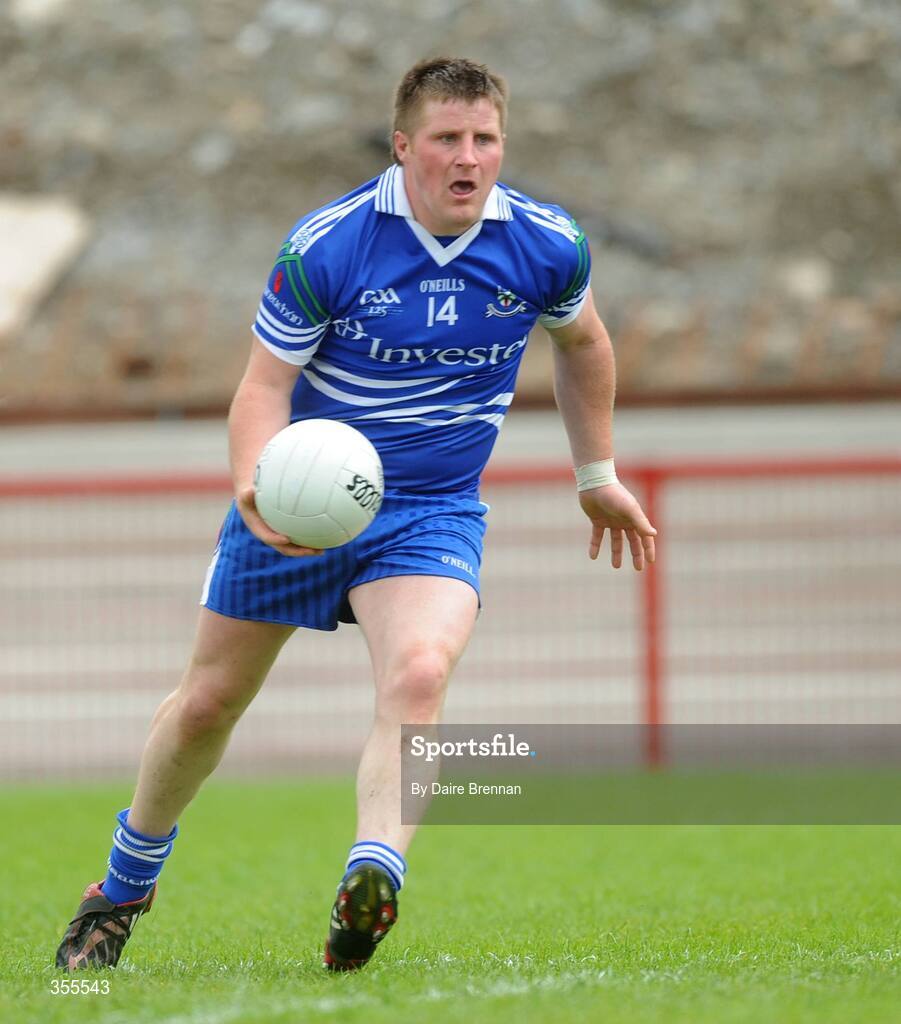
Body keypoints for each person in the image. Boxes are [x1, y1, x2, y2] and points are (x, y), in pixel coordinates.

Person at [55, 56, 656, 973]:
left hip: (430, 508)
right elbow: (264, 386)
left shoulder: (544, 243)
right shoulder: (328, 245)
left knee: (419, 673)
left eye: (484, 139)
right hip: (298, 500)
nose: (468, 158)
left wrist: (595, 472)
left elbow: (585, 343)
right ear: (402, 145)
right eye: (447, 139)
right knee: (210, 704)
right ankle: (122, 887)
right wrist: (255, 485)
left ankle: (371, 880)